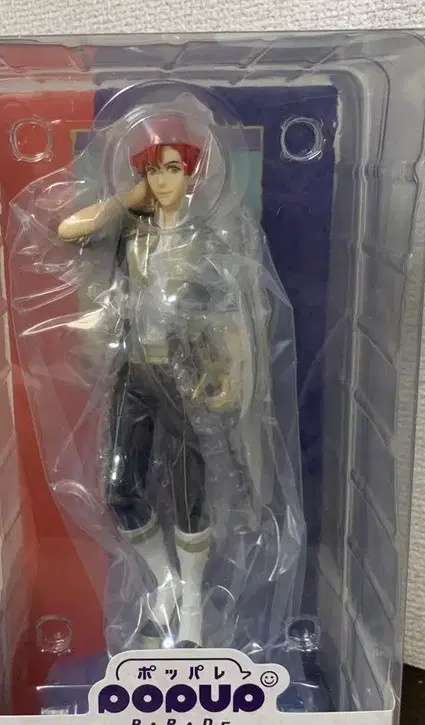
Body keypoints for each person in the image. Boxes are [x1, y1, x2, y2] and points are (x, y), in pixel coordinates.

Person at [57, 115, 247, 649]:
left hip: (186, 377)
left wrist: (231, 372)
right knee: (120, 487)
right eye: (153, 170)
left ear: (192, 174)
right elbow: (69, 230)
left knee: (189, 491)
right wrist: (128, 198)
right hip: (134, 371)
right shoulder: (132, 230)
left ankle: (192, 606)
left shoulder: (205, 238)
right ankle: (165, 582)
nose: (163, 180)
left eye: (173, 168)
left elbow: (229, 312)